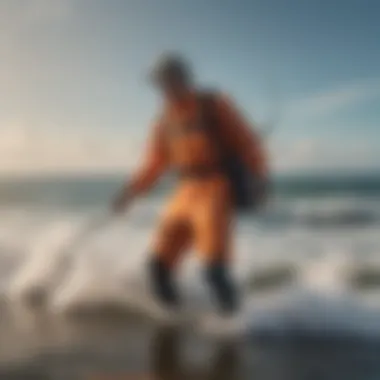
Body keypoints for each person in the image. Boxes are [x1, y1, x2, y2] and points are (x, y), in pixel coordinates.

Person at [112, 53, 269, 328]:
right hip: (184, 191)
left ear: (184, 77)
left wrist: (260, 179)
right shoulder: (163, 121)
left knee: (213, 268)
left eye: (170, 80)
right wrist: (130, 192)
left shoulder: (214, 105)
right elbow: (154, 163)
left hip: (215, 189)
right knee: (157, 267)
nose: (165, 88)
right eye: (160, 83)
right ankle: (173, 321)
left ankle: (237, 327)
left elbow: (248, 144)